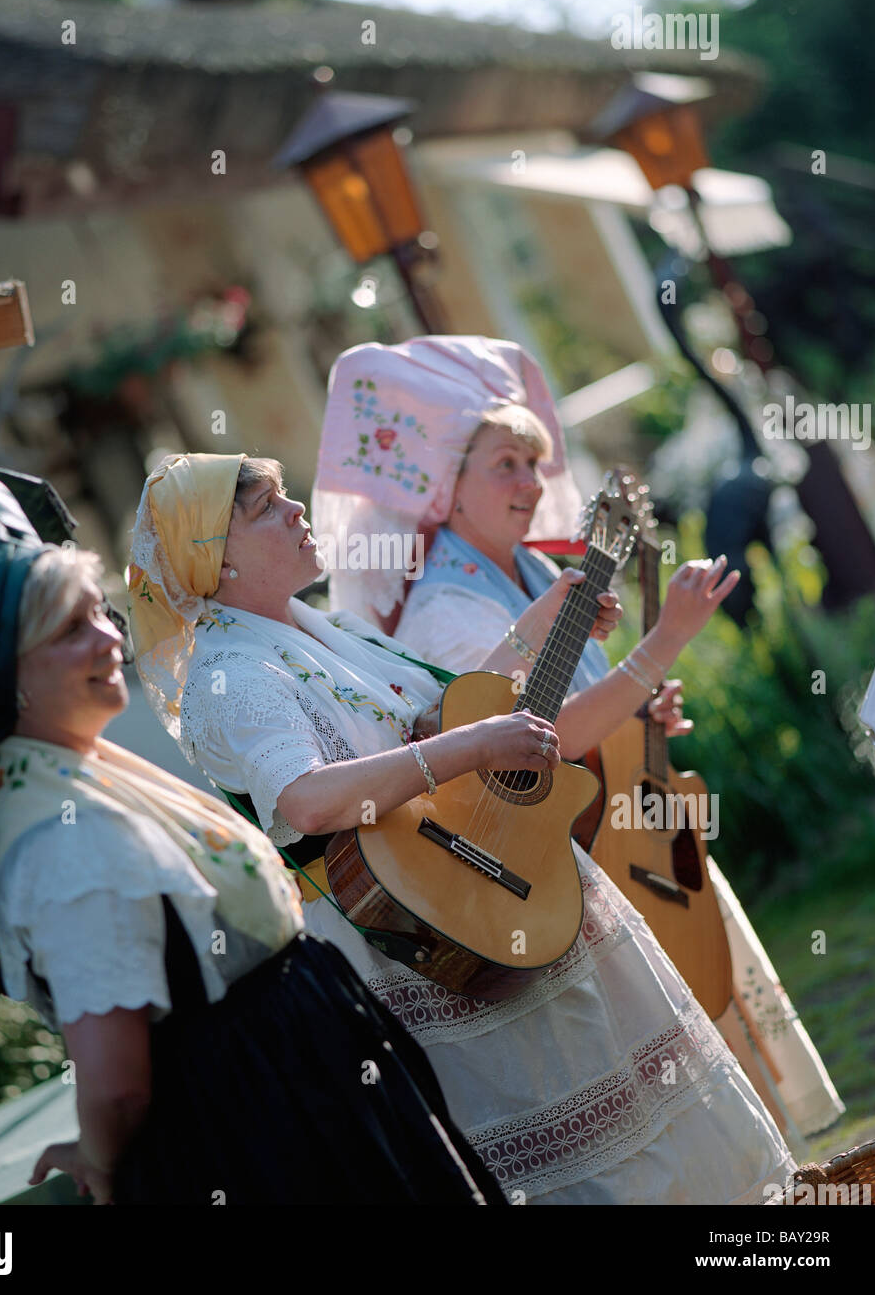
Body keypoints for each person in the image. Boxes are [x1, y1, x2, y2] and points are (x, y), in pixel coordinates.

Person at [128, 449, 795, 1204]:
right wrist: (471, 748)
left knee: (642, 1108)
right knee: (574, 1151)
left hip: (487, 881)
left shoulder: (330, 629)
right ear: (215, 561)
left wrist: (534, 630)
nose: (296, 510)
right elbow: (308, 800)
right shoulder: (233, 674)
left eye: (288, 495)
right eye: (266, 508)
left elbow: (429, 722)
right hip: (429, 926)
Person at [0, 465, 505, 1207]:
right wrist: (98, 1153)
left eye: (98, 613)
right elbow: (116, 1081)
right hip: (263, 1130)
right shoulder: (58, 838)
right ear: (5, 681)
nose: (109, 637)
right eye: (71, 631)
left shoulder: (84, 782)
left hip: (302, 1092)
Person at [312, 333, 845, 1145]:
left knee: (723, 1017)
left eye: (533, 462)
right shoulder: (443, 614)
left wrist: (639, 721)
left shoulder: (531, 572)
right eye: (504, 465)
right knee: (686, 1065)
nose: (531, 482)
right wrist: (661, 642)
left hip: (630, 824)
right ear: (442, 489)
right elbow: (537, 744)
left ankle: (786, 1202)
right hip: (573, 858)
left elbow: (589, 717)